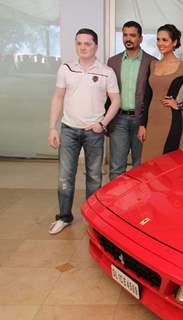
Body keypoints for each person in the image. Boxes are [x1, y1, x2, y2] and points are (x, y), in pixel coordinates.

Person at [47, 28, 120, 234]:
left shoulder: (106, 71)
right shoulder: (66, 69)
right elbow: (58, 97)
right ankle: (64, 217)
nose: (83, 47)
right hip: (69, 129)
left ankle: (93, 219)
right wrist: (52, 127)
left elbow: (116, 100)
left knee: (94, 177)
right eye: (79, 43)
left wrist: (103, 124)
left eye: (87, 43)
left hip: (94, 132)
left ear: (96, 45)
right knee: (65, 177)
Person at [138, 24, 183, 161]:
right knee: (148, 162)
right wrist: (142, 125)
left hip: (170, 121)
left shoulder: (182, 67)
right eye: (158, 39)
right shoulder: (153, 65)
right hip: (151, 122)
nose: (160, 43)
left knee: (165, 163)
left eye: (165, 40)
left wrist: (180, 105)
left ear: (174, 42)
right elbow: (147, 96)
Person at [107, 21, 157, 180]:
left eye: (133, 35)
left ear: (140, 39)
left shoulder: (152, 62)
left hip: (140, 120)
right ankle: (114, 202)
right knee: (116, 166)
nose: (128, 38)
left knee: (140, 166)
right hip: (118, 119)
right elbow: (107, 93)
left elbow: (154, 94)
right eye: (125, 35)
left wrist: (147, 123)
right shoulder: (112, 62)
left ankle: (137, 202)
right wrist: (106, 120)